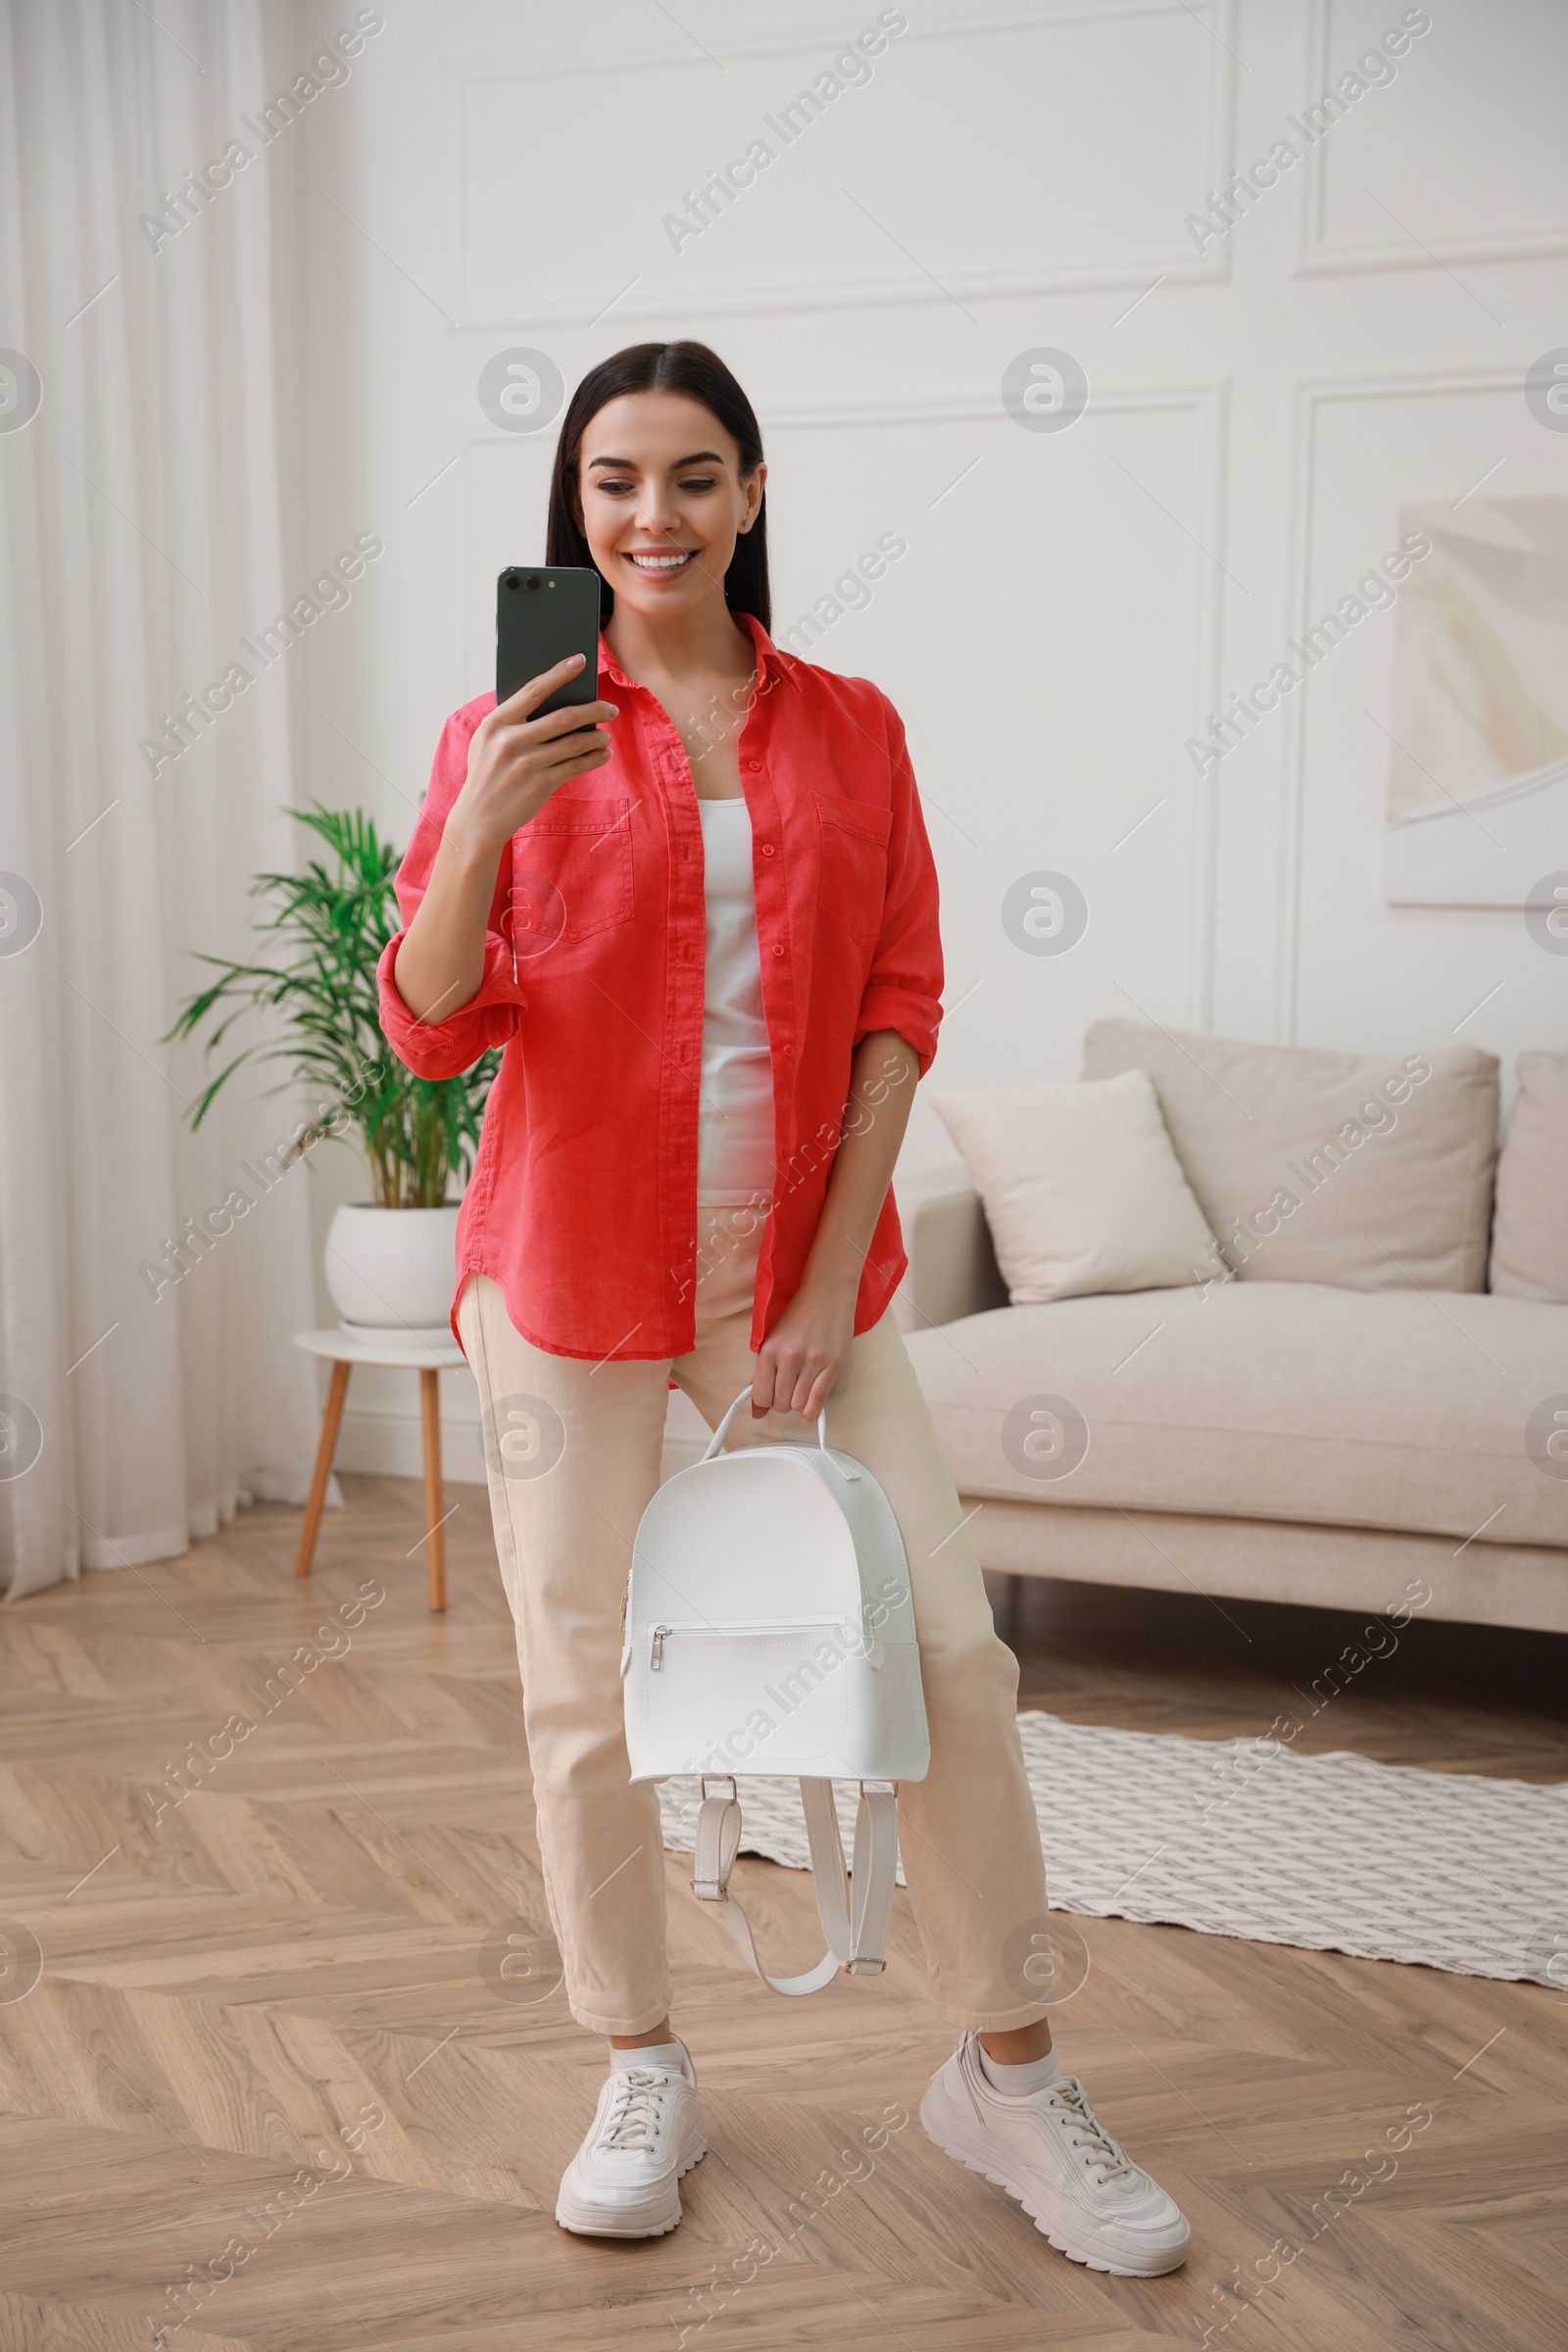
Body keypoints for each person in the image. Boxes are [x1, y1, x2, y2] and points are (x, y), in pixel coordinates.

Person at [379, 340, 1190, 2276]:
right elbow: (424, 1029)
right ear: (569, 511)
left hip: (796, 1272)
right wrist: (484, 818)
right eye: (609, 481)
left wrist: (824, 1280)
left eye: (688, 476)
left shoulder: (851, 728)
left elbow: (901, 1003)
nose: (647, 517)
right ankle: (638, 2062)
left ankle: (1001, 2069)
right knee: (589, 1695)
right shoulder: (508, 732)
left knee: (944, 1657)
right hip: (567, 1272)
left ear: (748, 495)